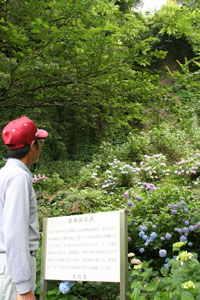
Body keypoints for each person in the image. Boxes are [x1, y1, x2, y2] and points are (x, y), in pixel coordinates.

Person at [0, 116, 48, 300]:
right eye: (40, 142)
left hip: (5, 266)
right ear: (33, 145)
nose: (41, 148)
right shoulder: (19, 177)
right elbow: (14, 232)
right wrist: (23, 289)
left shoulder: (4, 174)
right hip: (12, 273)